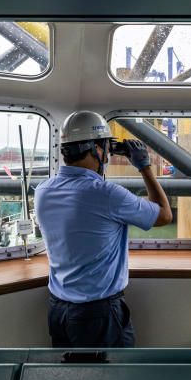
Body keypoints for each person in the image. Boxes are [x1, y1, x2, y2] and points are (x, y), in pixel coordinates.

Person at [34, 111, 172, 348]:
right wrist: (145, 167)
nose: (108, 154)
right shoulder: (107, 194)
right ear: (96, 150)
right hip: (98, 314)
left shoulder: (43, 190)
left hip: (58, 311)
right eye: (106, 149)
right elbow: (163, 215)